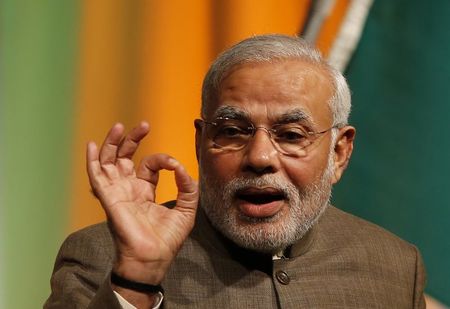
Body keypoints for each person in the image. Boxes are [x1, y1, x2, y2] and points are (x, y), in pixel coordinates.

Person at [45, 34, 426, 308]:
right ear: (200, 143)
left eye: (291, 135)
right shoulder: (102, 257)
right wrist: (136, 277)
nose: (259, 157)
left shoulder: (395, 265)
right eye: (231, 131)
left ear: (339, 153)